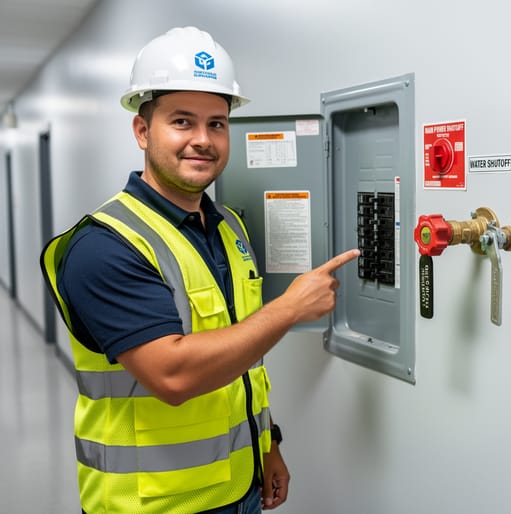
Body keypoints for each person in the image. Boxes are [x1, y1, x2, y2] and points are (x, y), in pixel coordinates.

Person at [40, 26, 359, 514]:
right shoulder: (104, 247)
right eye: (182, 121)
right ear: (143, 131)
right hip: (152, 506)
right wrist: (290, 309)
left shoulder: (227, 228)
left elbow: (240, 357)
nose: (202, 141)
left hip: (239, 488)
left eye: (216, 123)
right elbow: (172, 375)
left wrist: (266, 445)